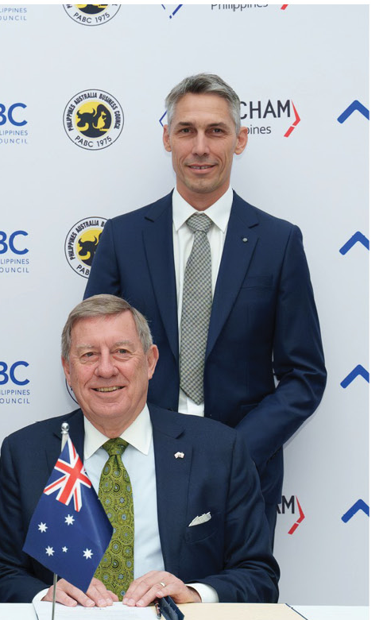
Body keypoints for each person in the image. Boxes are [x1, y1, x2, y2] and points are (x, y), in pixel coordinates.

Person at [84, 72, 325, 526]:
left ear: (240, 139)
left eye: (216, 131)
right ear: (166, 138)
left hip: (244, 475)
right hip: (136, 463)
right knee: (132, 596)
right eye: (186, 130)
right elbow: (90, 357)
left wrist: (235, 453)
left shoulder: (279, 242)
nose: (200, 147)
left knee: (233, 597)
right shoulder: (122, 237)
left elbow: (303, 376)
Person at [0, 294, 278, 605]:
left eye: (122, 352)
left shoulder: (219, 449)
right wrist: (46, 594)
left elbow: (258, 575)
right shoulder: (26, 452)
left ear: (150, 362)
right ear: (68, 369)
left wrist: (192, 594)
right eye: (88, 355)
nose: (106, 369)